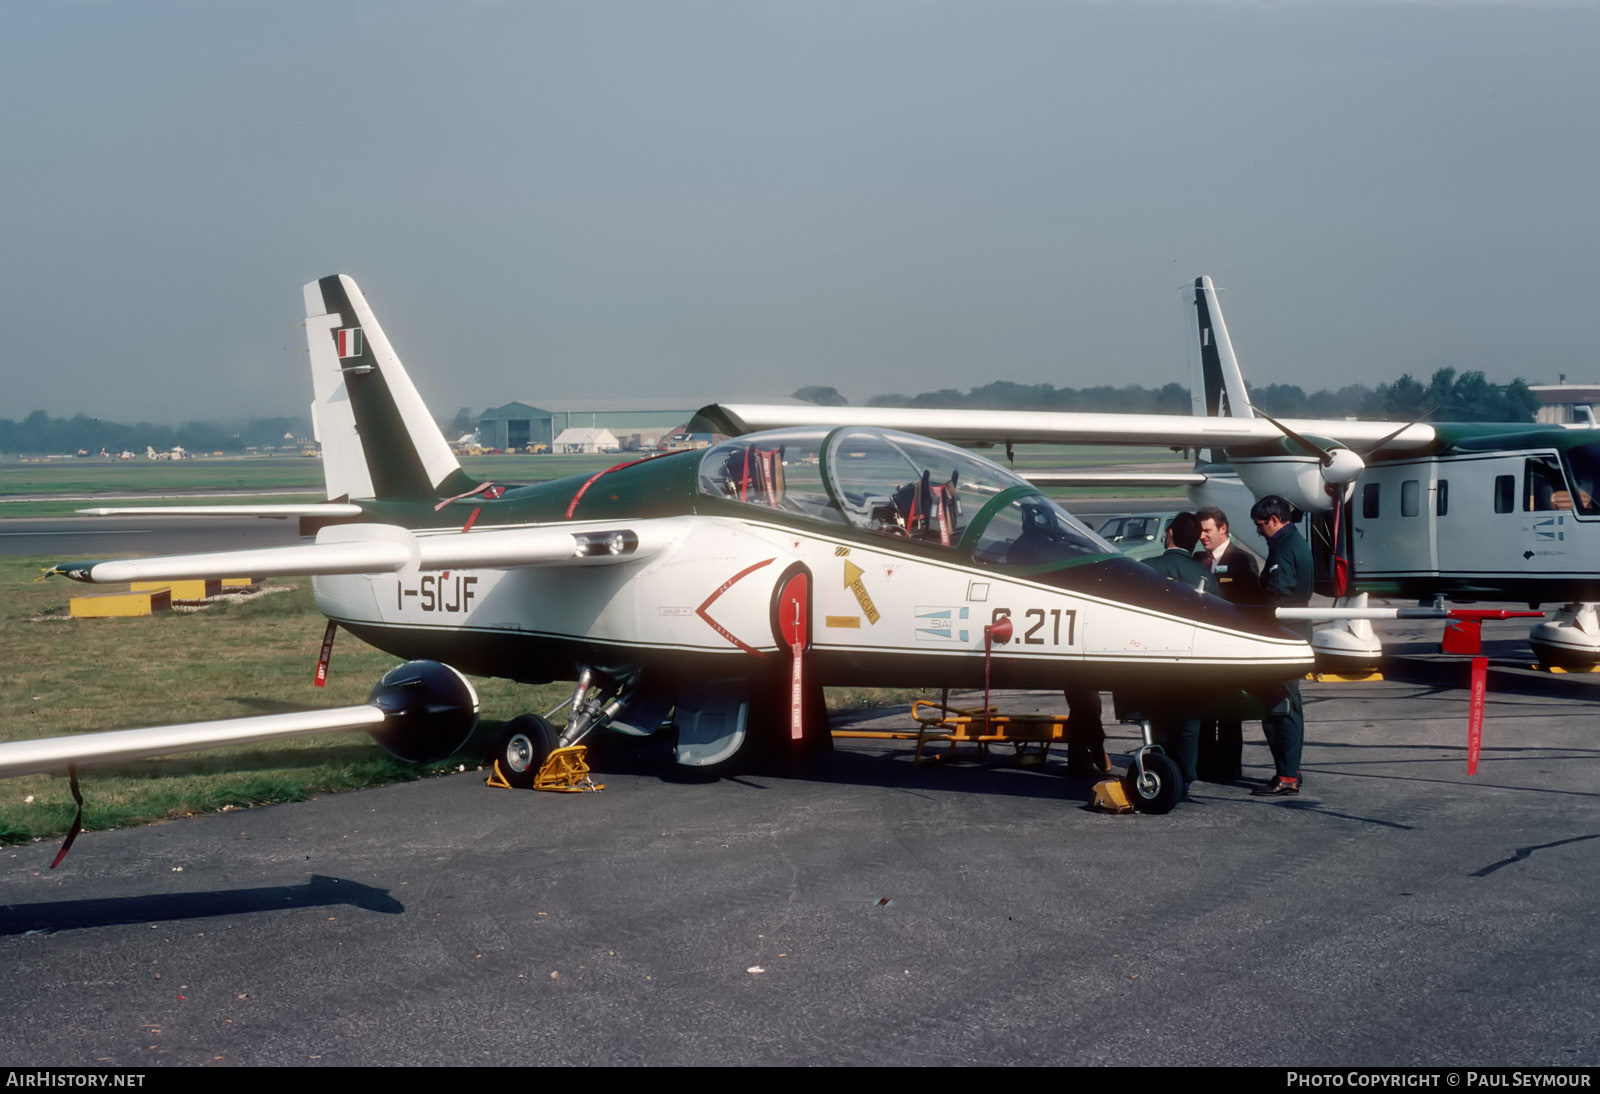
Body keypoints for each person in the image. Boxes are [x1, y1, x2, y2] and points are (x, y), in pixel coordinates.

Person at [1141, 512, 1217, 790]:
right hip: (1193, 659)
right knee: (1189, 722)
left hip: (1157, 659)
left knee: (1158, 719)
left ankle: (1160, 769)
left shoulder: (1147, 567)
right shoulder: (1206, 575)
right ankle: (1185, 775)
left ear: (1170, 534)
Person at [1249, 494, 1314, 796]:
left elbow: (1277, 594)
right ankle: (1290, 770)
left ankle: (1287, 775)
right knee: (1286, 704)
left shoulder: (1284, 548)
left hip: (1285, 635)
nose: (1259, 531)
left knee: (1282, 707)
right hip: (1296, 634)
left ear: (1274, 520)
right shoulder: (1295, 542)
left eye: (1261, 525)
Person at [1193, 506, 1260, 782]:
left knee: (1230, 712)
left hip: (1229, 646)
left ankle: (1230, 767)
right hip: (1202, 646)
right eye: (1200, 531)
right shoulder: (1198, 559)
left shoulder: (1243, 561)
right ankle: (1206, 764)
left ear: (1223, 529)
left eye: (1207, 530)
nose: (1202, 537)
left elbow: (1251, 603)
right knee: (1205, 707)